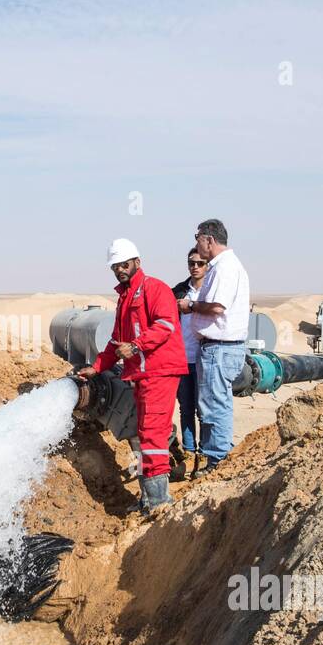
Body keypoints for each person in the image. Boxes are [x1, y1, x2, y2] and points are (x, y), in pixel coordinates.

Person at [76, 238, 187, 513]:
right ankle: (149, 499)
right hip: (140, 374)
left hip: (159, 372)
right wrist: (97, 367)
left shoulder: (155, 289)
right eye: (115, 266)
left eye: (124, 264)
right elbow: (116, 340)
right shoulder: (125, 297)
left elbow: (166, 325)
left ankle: (159, 501)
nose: (120, 270)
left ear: (137, 262)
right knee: (144, 432)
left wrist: (137, 346)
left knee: (152, 433)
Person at [183, 219, 250, 472]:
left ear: (209, 239)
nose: (196, 242)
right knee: (214, 403)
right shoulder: (224, 266)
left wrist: (189, 306)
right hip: (218, 348)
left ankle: (218, 459)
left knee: (214, 405)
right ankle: (216, 456)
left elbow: (217, 307)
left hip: (219, 348)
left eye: (197, 237)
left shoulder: (224, 268)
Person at [172, 247, 207, 478]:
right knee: (185, 409)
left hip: (205, 360)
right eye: (191, 262)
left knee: (204, 409)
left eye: (200, 263)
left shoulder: (213, 292)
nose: (195, 266)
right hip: (181, 360)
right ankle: (189, 452)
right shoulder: (177, 292)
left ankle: (204, 456)